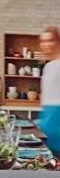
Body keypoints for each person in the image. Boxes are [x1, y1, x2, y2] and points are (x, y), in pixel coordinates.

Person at [37, 26, 60, 165]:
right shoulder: (48, 66)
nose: (45, 45)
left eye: (50, 40)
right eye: (42, 41)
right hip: (48, 127)